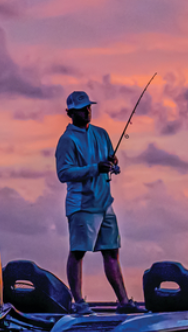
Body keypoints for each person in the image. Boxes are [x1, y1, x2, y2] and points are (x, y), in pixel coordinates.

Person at [55, 91, 137, 314]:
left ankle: (123, 301)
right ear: (71, 113)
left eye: (89, 107)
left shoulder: (102, 133)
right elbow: (63, 173)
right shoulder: (67, 140)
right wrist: (94, 168)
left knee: (111, 251)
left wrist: (113, 165)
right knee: (78, 252)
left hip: (104, 203)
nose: (88, 111)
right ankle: (79, 302)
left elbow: (110, 162)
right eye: (83, 109)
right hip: (81, 205)